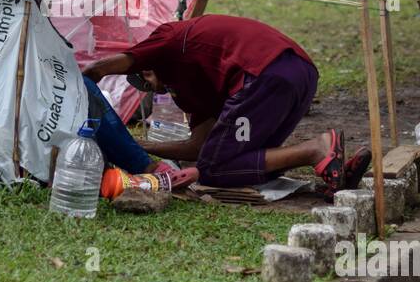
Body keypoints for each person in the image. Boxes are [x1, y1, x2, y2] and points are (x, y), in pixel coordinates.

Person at [81, 15, 370, 192]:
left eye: (148, 82)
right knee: (242, 159)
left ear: (147, 67)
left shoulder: (167, 37)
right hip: (300, 73)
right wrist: (136, 148)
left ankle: (315, 150)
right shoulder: (190, 85)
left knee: (213, 169)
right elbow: (198, 147)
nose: (156, 88)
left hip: (264, 72)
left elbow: (99, 69)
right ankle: (336, 167)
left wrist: (83, 80)